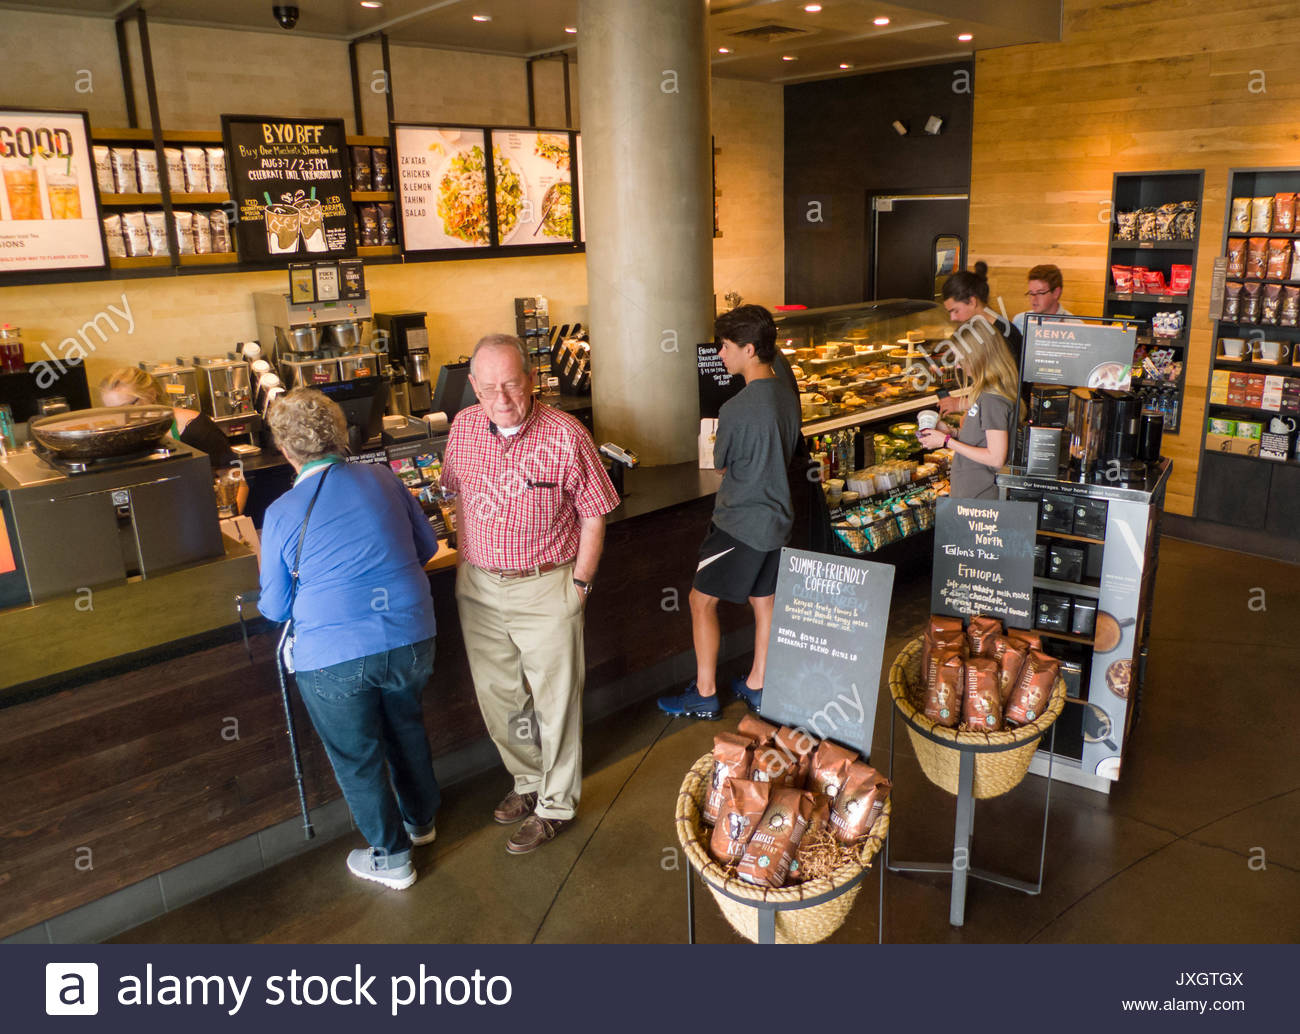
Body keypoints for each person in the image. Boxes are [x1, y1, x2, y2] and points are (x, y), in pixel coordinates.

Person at [441, 334, 619, 855]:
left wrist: (580, 585)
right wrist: (466, 562)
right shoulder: (464, 428)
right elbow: (457, 495)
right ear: (472, 386)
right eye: (489, 387)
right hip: (477, 585)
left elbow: (594, 513)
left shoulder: (567, 434)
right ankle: (528, 783)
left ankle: (557, 804)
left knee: (555, 701)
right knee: (499, 697)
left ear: (532, 380)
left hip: (547, 584)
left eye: (513, 384)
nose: (502, 398)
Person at [258, 388, 441, 890]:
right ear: (340, 432)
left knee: (358, 756)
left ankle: (393, 858)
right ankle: (421, 823)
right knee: (405, 726)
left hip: (334, 657)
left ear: (286, 450)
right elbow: (426, 546)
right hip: (411, 636)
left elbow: (274, 607)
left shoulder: (280, 513)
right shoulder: (383, 477)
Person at [657, 305, 802, 720]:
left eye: (725, 346)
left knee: (700, 601)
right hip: (778, 519)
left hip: (739, 523)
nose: (720, 354)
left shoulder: (735, 408)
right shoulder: (788, 396)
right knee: (765, 601)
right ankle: (757, 684)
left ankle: (704, 693)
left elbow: (719, 464)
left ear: (749, 349)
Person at [99, 366, 248, 512]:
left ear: (151, 395)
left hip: (198, 518)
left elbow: (238, 482)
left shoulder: (195, 428)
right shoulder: (117, 440)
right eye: (113, 412)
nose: (121, 418)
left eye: (127, 408)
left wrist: (227, 523)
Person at [916, 321, 1022, 500]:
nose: (958, 366)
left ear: (979, 356)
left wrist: (946, 441)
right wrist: (953, 432)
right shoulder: (985, 392)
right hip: (970, 495)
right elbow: (983, 439)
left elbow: (996, 457)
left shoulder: (992, 399)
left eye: (961, 360)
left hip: (980, 500)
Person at [935, 263, 1021, 416]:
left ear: (972, 302)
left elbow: (1005, 393)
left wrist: (961, 403)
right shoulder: (975, 332)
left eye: (955, 310)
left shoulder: (1005, 334)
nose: (952, 318)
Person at [1011, 263, 1072, 340]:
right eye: (1031, 293)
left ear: (1056, 293)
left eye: (1040, 293)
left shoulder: (1074, 325)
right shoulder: (1020, 321)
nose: (1034, 299)